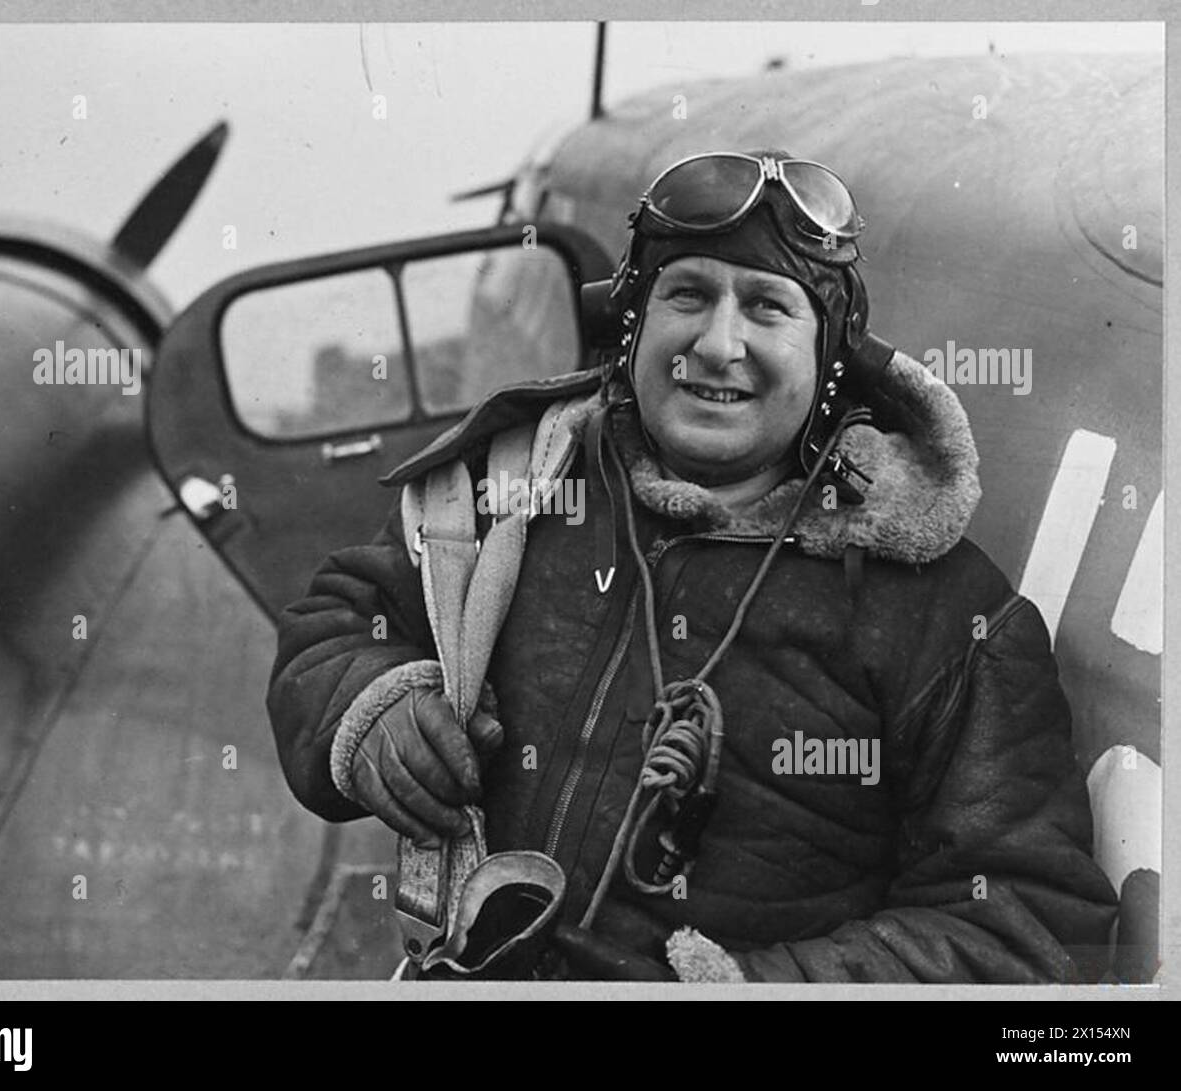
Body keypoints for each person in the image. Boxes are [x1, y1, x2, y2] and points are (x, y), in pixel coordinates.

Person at [267, 150, 1118, 982]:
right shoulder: (510, 492)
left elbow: (1025, 925)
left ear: (829, 360)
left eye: (767, 307)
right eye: (688, 294)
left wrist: (749, 987)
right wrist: (369, 710)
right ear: (634, 323)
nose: (718, 344)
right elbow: (337, 623)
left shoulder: (947, 614)